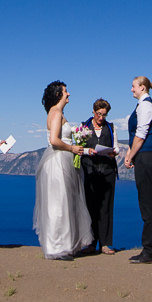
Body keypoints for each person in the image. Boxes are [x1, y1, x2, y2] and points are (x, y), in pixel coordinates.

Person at [32, 81, 94, 260]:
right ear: (59, 94)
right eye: (66, 91)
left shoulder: (56, 112)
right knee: (58, 203)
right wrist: (73, 148)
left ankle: (65, 245)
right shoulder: (56, 112)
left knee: (65, 202)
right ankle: (57, 248)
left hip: (62, 161)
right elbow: (54, 140)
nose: (69, 94)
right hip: (58, 162)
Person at [124, 75, 152, 263]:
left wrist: (130, 155)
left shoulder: (146, 106)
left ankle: (150, 251)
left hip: (147, 156)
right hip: (145, 156)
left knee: (148, 202)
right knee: (146, 201)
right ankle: (149, 249)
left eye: (133, 86)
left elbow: (140, 134)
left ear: (142, 87)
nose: (131, 89)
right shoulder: (143, 105)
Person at [80, 98, 120, 255]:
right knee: (90, 207)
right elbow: (78, 147)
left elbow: (116, 147)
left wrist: (113, 152)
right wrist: (87, 151)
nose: (101, 118)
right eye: (98, 114)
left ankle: (105, 244)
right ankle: (90, 243)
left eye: (104, 114)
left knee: (106, 207)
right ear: (93, 112)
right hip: (89, 171)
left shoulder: (111, 128)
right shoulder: (84, 127)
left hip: (107, 171)